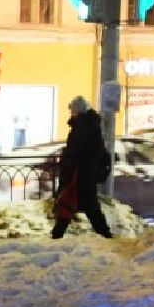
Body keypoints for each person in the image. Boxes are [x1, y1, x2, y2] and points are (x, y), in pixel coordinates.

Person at [50, 96, 113, 239]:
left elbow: (79, 151)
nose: (71, 112)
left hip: (80, 174)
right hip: (83, 174)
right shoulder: (88, 125)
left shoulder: (83, 127)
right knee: (81, 204)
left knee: (72, 202)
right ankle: (104, 234)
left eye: (72, 109)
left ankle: (58, 234)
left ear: (77, 110)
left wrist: (69, 163)